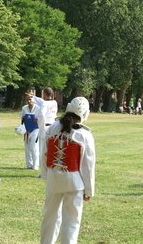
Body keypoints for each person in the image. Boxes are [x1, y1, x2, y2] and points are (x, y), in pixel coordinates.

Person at [40, 97, 95, 244]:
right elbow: (88, 166)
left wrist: (46, 174)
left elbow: (43, 153)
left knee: (49, 216)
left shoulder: (52, 127)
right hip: (73, 182)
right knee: (71, 222)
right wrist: (89, 190)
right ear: (85, 113)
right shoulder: (84, 134)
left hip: (53, 177)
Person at [28, 88, 58, 176]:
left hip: (45, 127)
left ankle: (43, 173)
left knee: (43, 151)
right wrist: (33, 97)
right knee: (51, 150)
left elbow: (41, 115)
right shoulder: (54, 102)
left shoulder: (45, 103)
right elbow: (41, 101)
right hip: (53, 127)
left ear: (44, 94)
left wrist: (38, 121)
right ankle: (51, 170)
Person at [20, 96, 41, 170]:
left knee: (34, 147)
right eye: (27, 100)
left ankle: (35, 165)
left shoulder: (38, 108)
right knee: (27, 147)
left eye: (30, 99)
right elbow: (22, 118)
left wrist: (37, 119)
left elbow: (41, 118)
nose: (29, 101)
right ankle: (29, 164)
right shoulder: (24, 108)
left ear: (34, 100)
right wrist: (22, 128)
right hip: (26, 130)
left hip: (36, 129)